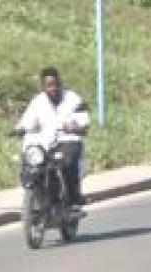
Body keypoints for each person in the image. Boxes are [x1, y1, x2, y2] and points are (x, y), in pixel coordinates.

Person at [17, 67, 90, 212]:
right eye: (49, 85)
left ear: (60, 83)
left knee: (66, 161)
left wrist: (75, 127)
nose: (53, 88)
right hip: (46, 142)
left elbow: (84, 123)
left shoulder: (73, 99)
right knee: (31, 161)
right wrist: (19, 129)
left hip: (69, 140)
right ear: (43, 87)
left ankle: (73, 197)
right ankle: (38, 194)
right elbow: (27, 122)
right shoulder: (37, 102)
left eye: (56, 84)